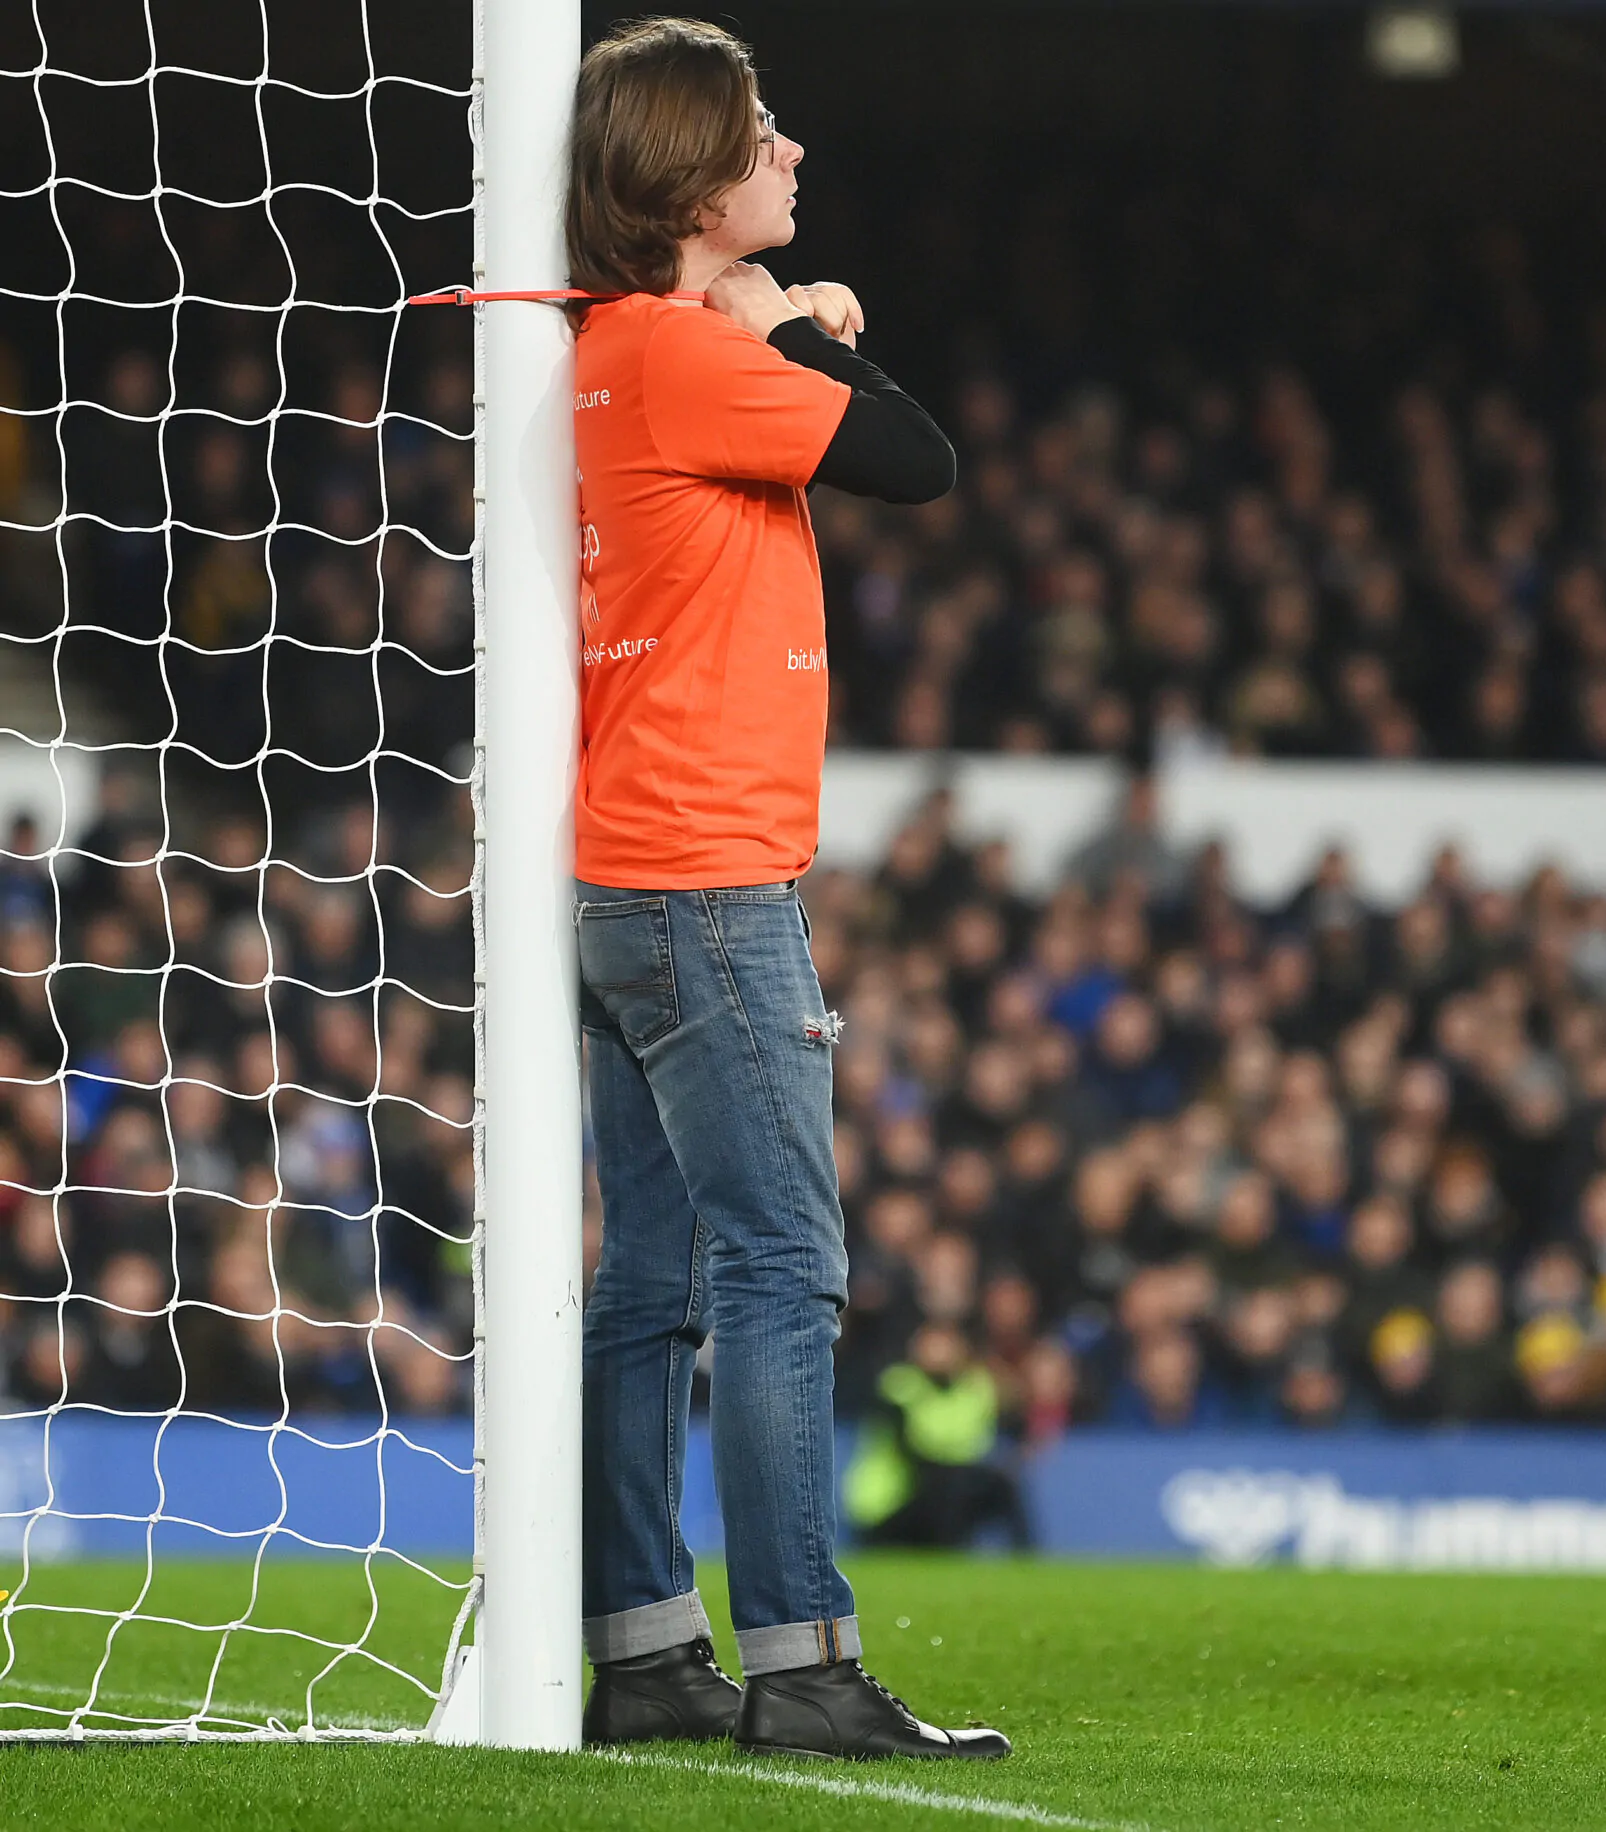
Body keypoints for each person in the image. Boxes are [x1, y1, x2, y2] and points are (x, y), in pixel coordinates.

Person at [561, 19, 1004, 1762]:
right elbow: (921, 463)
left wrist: (781, 327)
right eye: (763, 132)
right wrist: (786, 324)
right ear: (689, 173)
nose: (795, 153)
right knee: (778, 1268)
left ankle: (651, 1644)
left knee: (655, 1274)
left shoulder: (612, 348)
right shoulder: (687, 348)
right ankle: (805, 1662)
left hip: (631, 867)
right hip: (707, 873)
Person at [846, 1322, 1035, 1551]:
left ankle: (1026, 1555)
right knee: (946, 1486)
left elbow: (995, 1434)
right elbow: (911, 1454)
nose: (940, 1354)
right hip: (893, 1500)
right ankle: (950, 1552)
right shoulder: (897, 1386)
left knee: (1001, 1483)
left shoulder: (976, 1387)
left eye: (946, 1346)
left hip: (953, 1484)